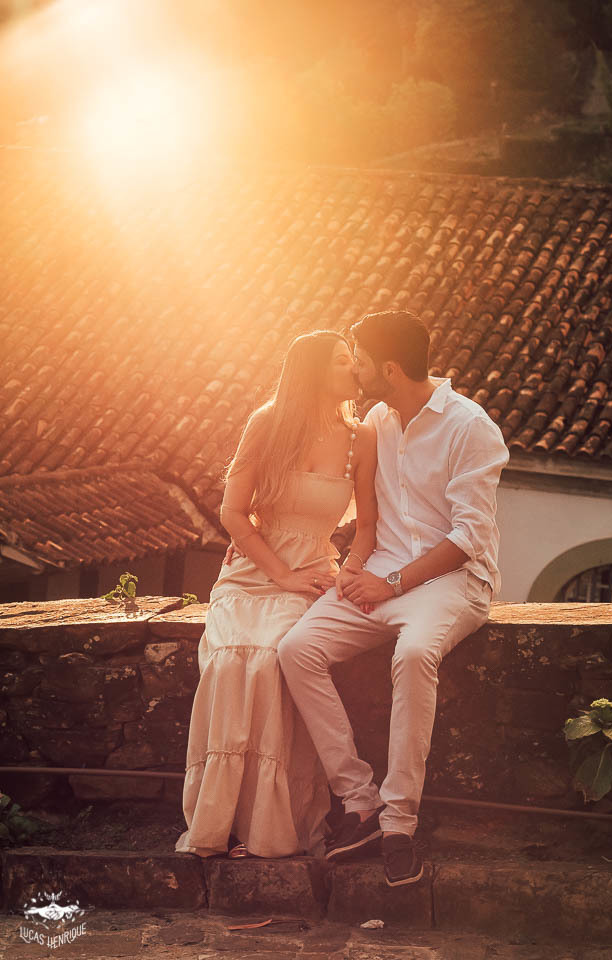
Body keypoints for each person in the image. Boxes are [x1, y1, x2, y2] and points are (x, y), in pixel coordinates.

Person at [278, 310, 510, 886]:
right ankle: (363, 805)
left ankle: (401, 823)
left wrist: (394, 583)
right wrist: (351, 568)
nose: (351, 368)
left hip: (453, 582)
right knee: (296, 649)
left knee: (412, 656)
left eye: (356, 358)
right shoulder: (378, 419)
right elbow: (369, 515)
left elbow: (468, 536)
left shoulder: (469, 426)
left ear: (387, 367)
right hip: (379, 572)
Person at [175, 330, 377, 860]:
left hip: (313, 570)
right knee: (226, 662)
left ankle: (271, 823)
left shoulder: (361, 437)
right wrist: (278, 572)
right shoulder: (268, 422)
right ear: (313, 370)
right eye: (340, 362)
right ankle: (220, 821)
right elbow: (233, 512)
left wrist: (348, 573)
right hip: (253, 569)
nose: (353, 370)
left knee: (271, 659)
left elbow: (369, 527)